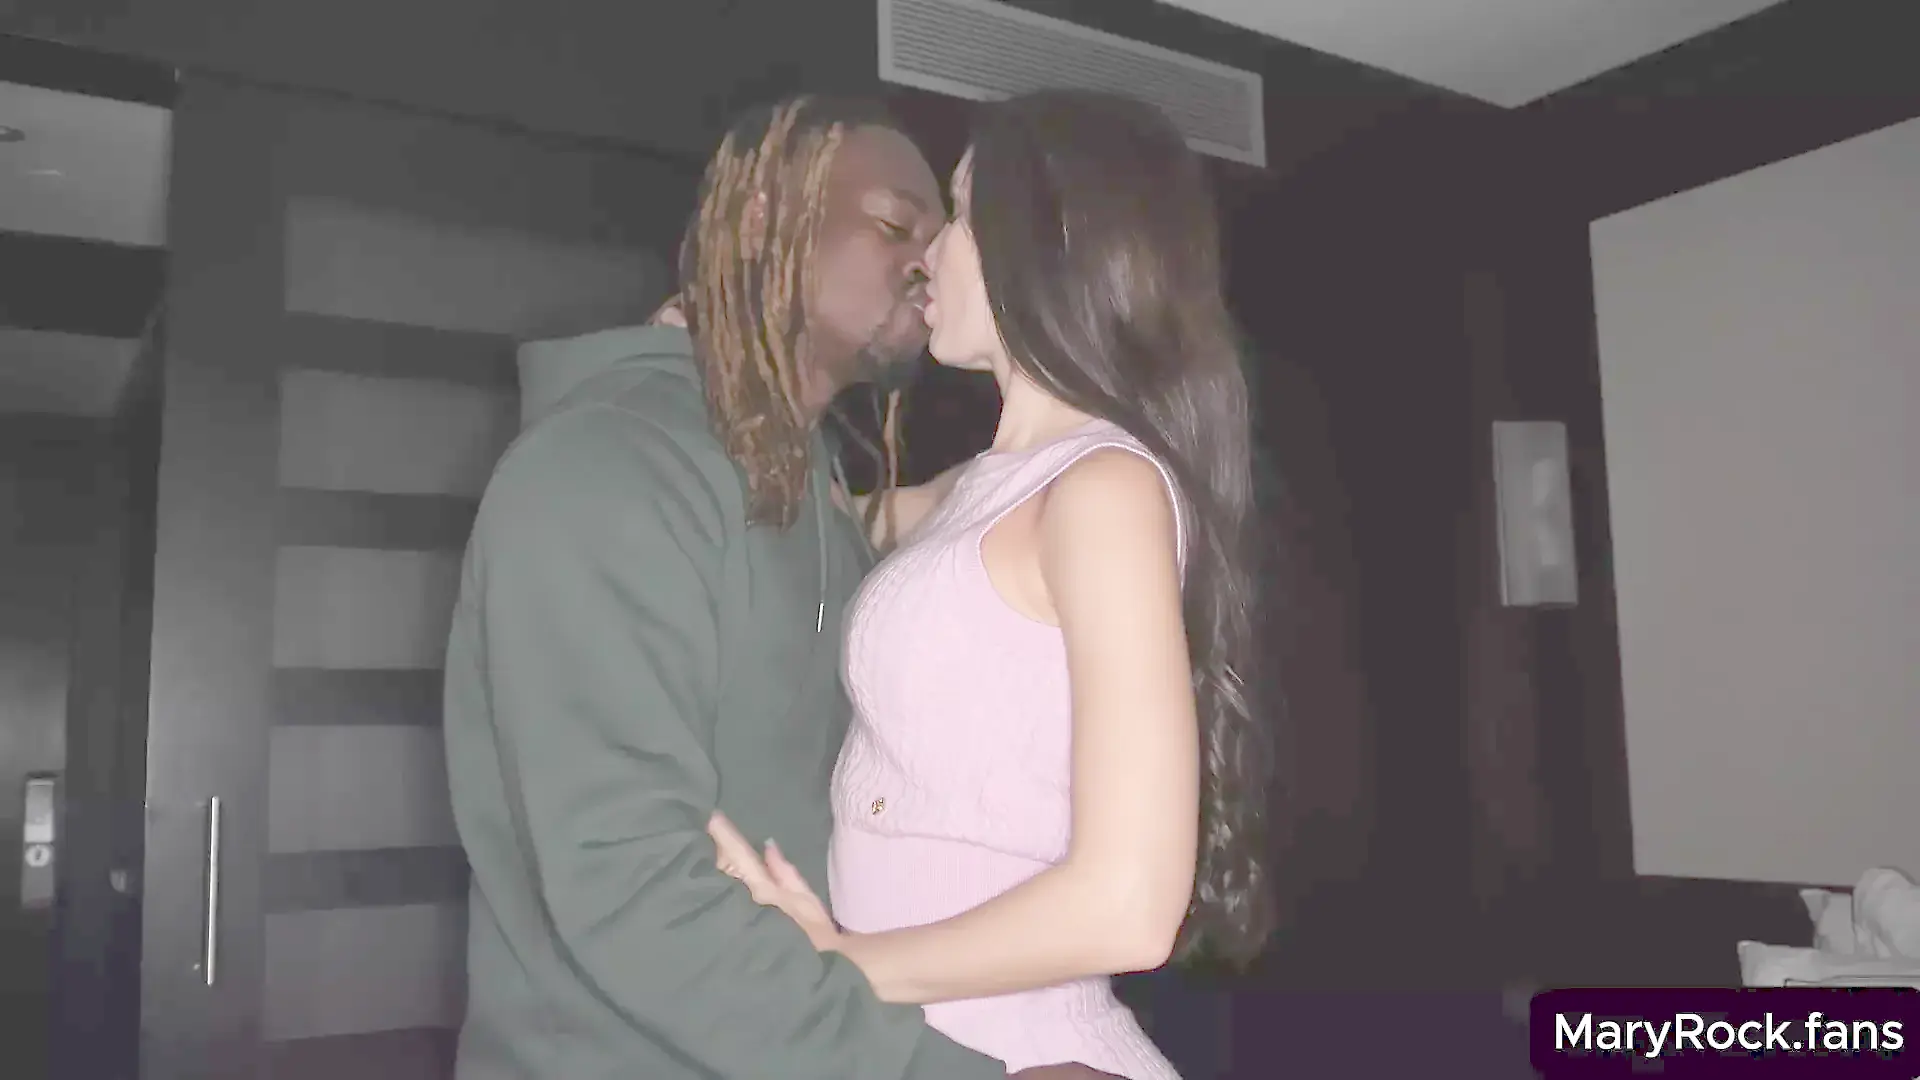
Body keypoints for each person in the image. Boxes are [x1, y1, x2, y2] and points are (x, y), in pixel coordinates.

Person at [442, 93, 1111, 1080]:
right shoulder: (610, 465)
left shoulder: (813, 498)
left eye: (942, 235)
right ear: (760, 219)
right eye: (895, 225)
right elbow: (627, 882)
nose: (927, 261)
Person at [709, 89, 1276, 1080]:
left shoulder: (1104, 490)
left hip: (1023, 1054)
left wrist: (841, 966)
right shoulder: (979, 490)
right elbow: (793, 519)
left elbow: (1130, 904)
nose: (926, 253)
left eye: (961, 213)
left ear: (1045, 241)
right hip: (917, 1046)